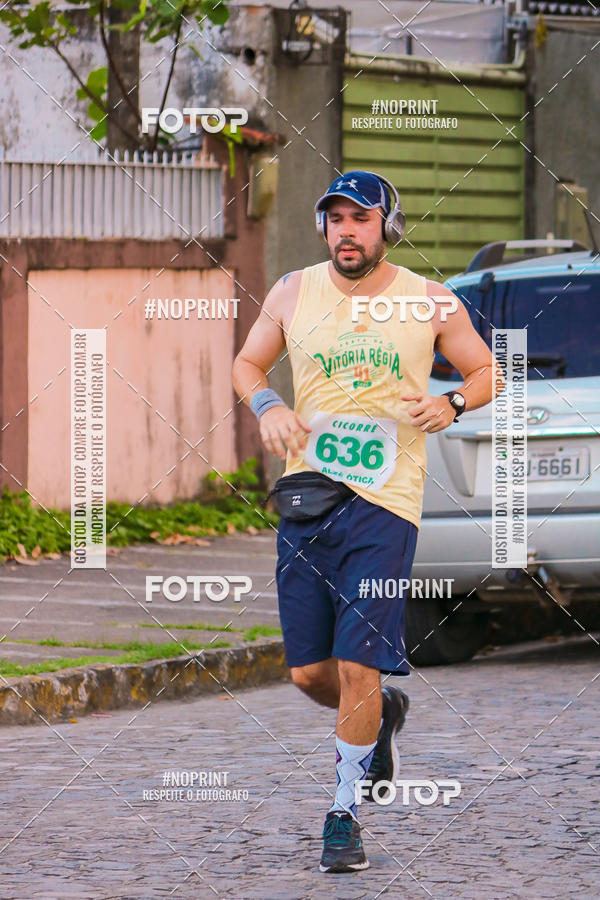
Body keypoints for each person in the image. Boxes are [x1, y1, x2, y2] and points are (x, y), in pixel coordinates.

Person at [232, 170, 501, 873]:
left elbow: (485, 371)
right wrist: (269, 407)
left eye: (362, 218)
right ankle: (384, 719)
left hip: (385, 505)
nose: (347, 231)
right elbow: (248, 364)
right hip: (307, 500)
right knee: (310, 674)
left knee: (357, 665)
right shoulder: (293, 290)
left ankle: (343, 815)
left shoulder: (428, 301)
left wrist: (451, 405)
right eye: (336, 219)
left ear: (389, 225)